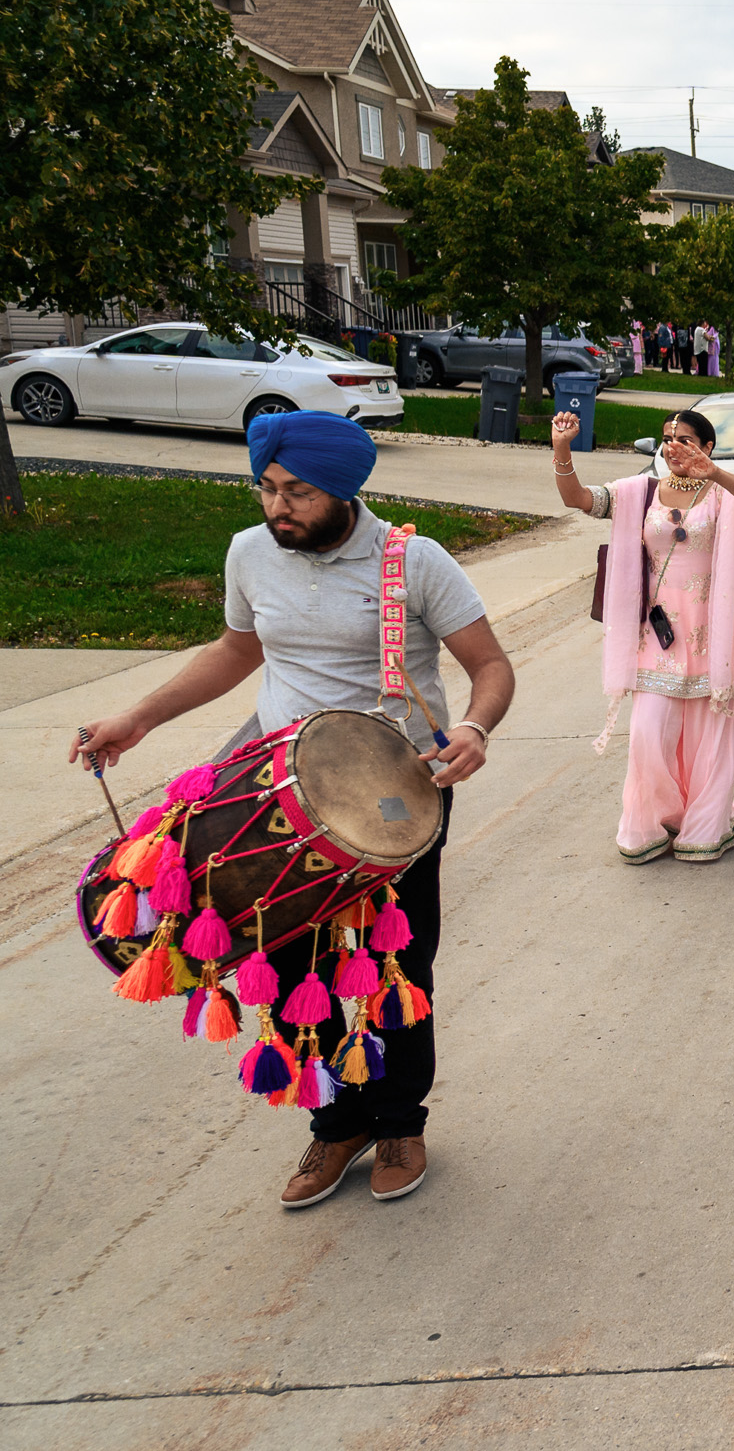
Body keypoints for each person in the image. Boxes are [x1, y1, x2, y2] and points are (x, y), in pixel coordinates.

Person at [71, 411, 515, 1208]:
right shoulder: (252, 551)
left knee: (395, 970)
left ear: (343, 490)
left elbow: (488, 663)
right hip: (273, 789)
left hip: (392, 797)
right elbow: (238, 651)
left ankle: (399, 1121)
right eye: (268, 489)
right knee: (281, 966)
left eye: (298, 492)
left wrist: (475, 727)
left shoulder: (413, 561)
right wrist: (138, 717)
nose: (279, 507)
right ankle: (335, 1121)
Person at [553, 408, 734, 864]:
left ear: (706, 447)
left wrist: (716, 474)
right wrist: (562, 448)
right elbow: (579, 499)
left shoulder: (723, 494)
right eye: (667, 438)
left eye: (685, 439)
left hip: (716, 631)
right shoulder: (641, 491)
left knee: (713, 733)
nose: (672, 446)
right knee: (648, 734)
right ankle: (656, 818)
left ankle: (707, 821)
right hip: (658, 634)